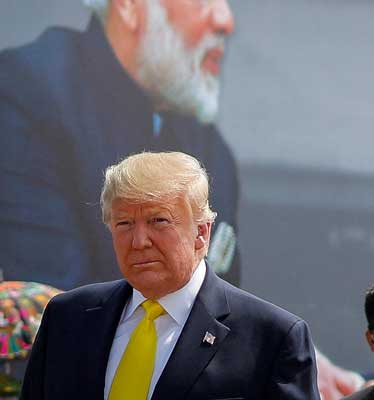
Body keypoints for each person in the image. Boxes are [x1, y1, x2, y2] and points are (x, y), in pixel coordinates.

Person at [20, 151, 321, 399]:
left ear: (201, 233)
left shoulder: (271, 338)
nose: (139, 241)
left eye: (158, 221)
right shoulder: (68, 318)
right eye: (124, 224)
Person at [0, 0, 240, 290]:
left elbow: (224, 312)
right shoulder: (26, 93)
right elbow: (54, 309)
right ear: (128, 6)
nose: (225, 20)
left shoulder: (209, 146)